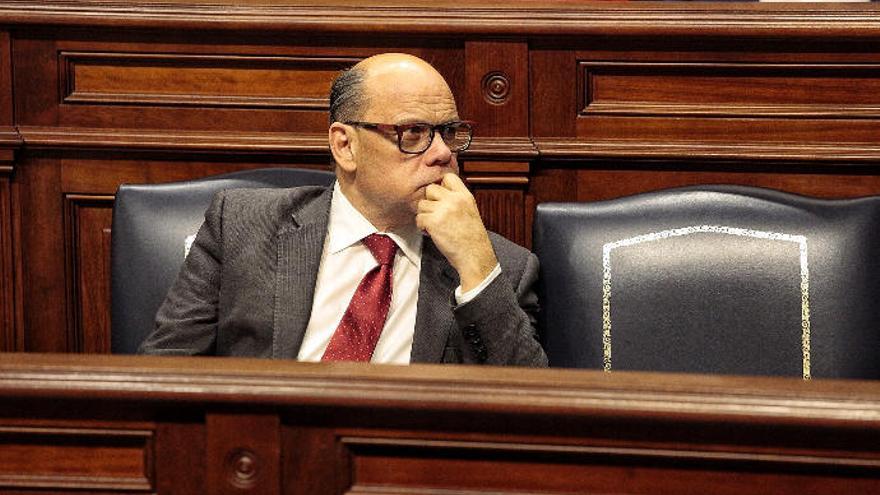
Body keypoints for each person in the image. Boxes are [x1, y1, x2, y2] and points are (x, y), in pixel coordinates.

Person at [139, 53, 548, 366]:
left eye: (449, 133)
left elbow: (532, 410)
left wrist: (476, 268)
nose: (442, 153)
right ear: (345, 145)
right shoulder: (242, 225)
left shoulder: (501, 272)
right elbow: (163, 374)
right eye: (414, 133)